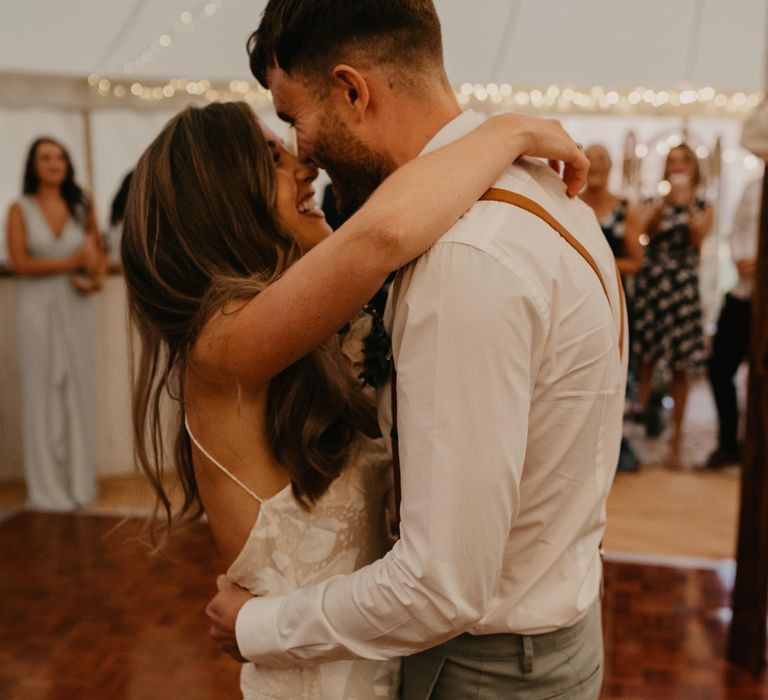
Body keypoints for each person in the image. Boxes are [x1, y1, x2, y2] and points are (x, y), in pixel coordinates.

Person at [206, 2, 625, 698]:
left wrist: (258, 627)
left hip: (479, 667)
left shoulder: (464, 260)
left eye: (292, 117)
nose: (302, 151)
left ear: (352, 91)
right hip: (558, 629)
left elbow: (440, 588)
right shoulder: (551, 193)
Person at [120, 99, 587, 700]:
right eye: (272, 157)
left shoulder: (301, 349)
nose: (304, 165)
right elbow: (384, 232)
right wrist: (511, 128)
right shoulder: (221, 350)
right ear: (223, 195)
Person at [5, 137, 106, 510]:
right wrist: (71, 264)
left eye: (60, 157)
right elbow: (20, 264)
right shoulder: (19, 209)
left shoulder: (82, 206)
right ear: (33, 166)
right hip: (36, 307)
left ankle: (80, 484)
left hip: (75, 305)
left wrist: (92, 276)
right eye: (45, 158)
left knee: (77, 392)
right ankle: (47, 490)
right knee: (41, 393)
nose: (54, 163)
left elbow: (95, 258)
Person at [632, 143, 714, 468]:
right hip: (654, 286)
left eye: (684, 162)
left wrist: (689, 206)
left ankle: (676, 440)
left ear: (693, 168)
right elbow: (644, 233)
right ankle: (635, 432)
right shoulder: (653, 201)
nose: (678, 167)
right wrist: (666, 203)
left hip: (682, 290)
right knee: (646, 360)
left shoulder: (705, 204)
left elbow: (697, 239)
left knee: (681, 365)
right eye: (672, 162)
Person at [581, 144, 643, 472]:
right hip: (581, 299)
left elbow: (636, 261)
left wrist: (601, 264)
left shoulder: (624, 208)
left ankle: (616, 443)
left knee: (617, 368)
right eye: (590, 160)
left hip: (615, 298)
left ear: (610, 166)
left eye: (602, 161)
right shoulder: (571, 204)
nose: (595, 167)